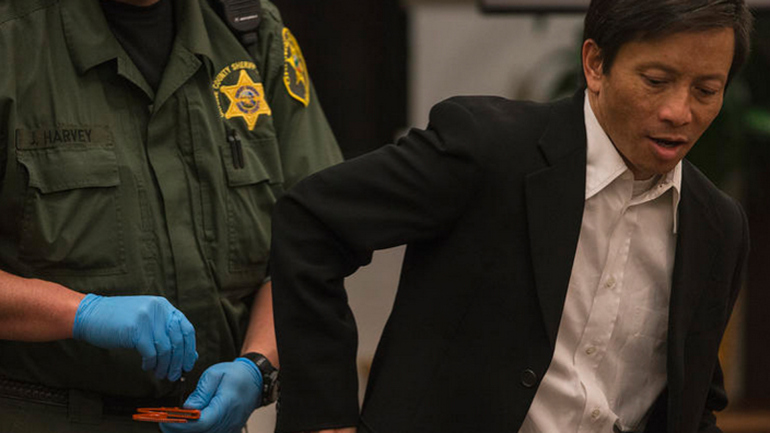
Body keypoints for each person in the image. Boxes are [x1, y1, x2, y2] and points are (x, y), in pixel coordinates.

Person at [269, 1, 753, 432]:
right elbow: (312, 221)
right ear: (595, 64)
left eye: (706, 91)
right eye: (655, 82)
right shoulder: (489, 149)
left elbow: (693, 400)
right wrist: (324, 417)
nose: (678, 111)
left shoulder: (717, 227)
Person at [0, 0, 342, 432]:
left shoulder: (250, 32)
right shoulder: (13, 39)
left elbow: (316, 244)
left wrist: (258, 365)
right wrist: (80, 313)